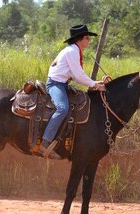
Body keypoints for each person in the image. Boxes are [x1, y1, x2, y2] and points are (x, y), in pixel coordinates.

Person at [38, 24, 106, 159]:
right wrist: (95, 85)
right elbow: (78, 75)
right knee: (63, 108)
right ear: (79, 39)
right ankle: (45, 142)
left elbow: (77, 75)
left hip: (62, 84)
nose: (89, 40)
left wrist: (94, 83)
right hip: (55, 84)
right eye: (87, 38)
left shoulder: (73, 50)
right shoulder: (72, 51)